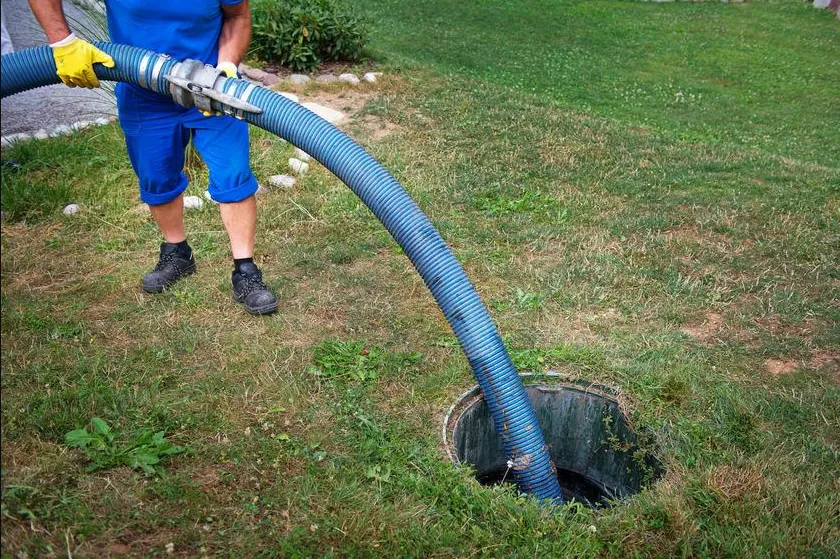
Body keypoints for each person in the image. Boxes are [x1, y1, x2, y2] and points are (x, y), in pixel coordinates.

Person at [28, 0, 278, 315]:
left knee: (233, 173)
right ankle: (177, 253)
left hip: (212, 87)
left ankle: (245, 270)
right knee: (156, 176)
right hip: (142, 92)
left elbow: (238, 16)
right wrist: (62, 42)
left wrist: (226, 67)